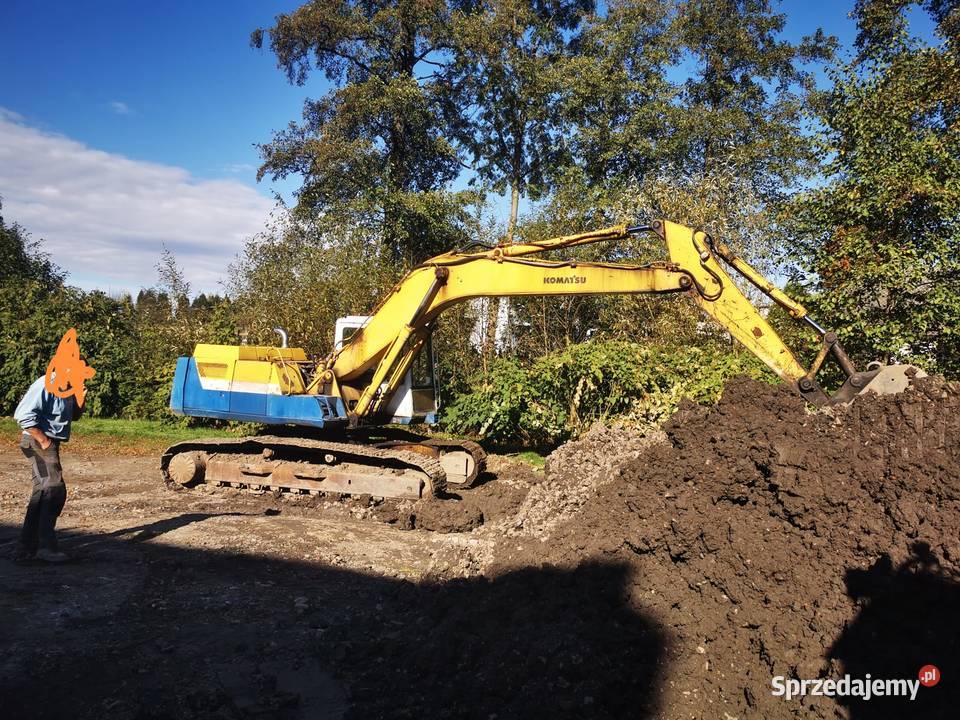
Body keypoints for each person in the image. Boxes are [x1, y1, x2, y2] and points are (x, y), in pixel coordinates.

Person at [12, 374, 85, 563]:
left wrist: (80, 398)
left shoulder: (69, 385)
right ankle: (46, 548)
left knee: (43, 492)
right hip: (37, 442)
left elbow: (73, 416)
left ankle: (26, 546)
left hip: (47, 442)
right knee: (54, 490)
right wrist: (44, 441)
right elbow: (22, 415)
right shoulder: (48, 383)